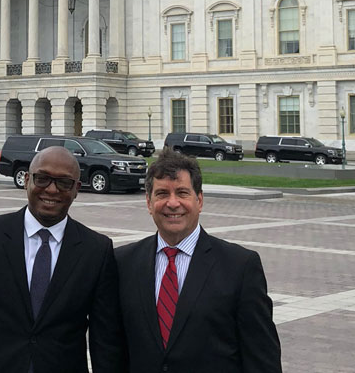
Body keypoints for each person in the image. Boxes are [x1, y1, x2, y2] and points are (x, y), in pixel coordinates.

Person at [0, 146, 125, 373]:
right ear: (27, 179)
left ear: (77, 188)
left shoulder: (96, 249)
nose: (52, 189)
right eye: (42, 179)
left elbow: (104, 336)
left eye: (64, 182)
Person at [116, 149, 282, 373]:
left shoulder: (240, 266)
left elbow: (262, 359)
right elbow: (113, 349)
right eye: (162, 193)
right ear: (148, 202)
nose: (172, 203)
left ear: (199, 200)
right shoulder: (122, 263)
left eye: (182, 193)